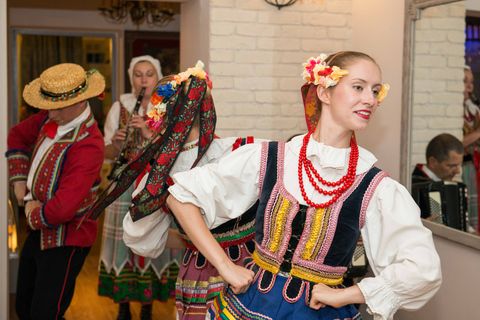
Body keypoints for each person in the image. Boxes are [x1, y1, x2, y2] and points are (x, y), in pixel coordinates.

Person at [166, 51, 442, 320]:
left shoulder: (375, 186)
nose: (369, 99)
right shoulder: (269, 157)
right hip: (249, 305)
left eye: (375, 91)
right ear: (324, 92)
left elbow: (422, 269)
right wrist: (225, 266)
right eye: (358, 87)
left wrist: (345, 295)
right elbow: (180, 198)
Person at [87, 61, 263, 320]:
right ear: (206, 108)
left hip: (199, 271)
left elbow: (140, 238)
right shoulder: (243, 150)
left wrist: (194, 240)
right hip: (253, 266)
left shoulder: (157, 177)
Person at [6, 63, 105, 320]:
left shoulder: (89, 144)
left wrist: (29, 213)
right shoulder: (51, 116)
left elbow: (63, 208)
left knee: (45, 313)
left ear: (81, 101)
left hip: (67, 240)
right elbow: (16, 135)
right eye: (48, 106)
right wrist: (18, 180)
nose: (51, 113)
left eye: (58, 107)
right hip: (38, 231)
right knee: (24, 306)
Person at [98, 55, 175, 320]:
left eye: (150, 74)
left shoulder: (167, 106)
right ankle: (123, 307)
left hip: (154, 186)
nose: (144, 79)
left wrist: (148, 133)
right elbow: (105, 152)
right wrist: (117, 144)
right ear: (132, 78)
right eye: (138, 74)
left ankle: (147, 307)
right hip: (124, 186)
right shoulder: (121, 106)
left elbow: (174, 149)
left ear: (158, 77)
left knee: (150, 239)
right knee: (123, 245)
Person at [462, 66, 480, 232]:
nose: (469, 86)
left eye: (471, 82)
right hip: (461, 167)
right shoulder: (455, 112)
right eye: (464, 81)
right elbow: (458, 143)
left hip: (473, 166)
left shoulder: (473, 110)